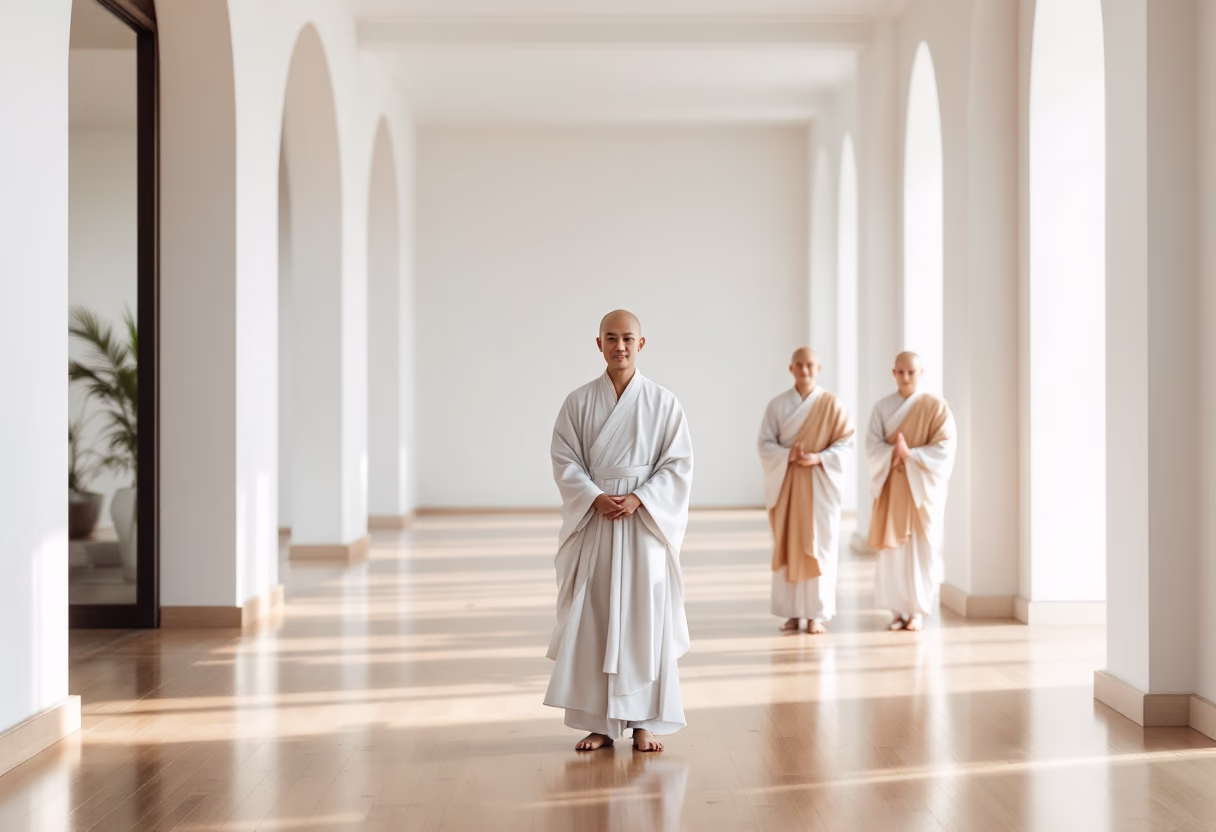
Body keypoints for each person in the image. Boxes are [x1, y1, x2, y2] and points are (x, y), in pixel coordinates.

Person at [544, 310, 694, 753]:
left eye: (628, 338)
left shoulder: (663, 402)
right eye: (611, 338)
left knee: (645, 615)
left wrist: (640, 498)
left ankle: (646, 720)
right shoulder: (578, 402)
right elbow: (564, 458)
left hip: (643, 522)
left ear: (642, 343)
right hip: (598, 519)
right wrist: (592, 496)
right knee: (597, 614)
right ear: (599, 344)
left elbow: (678, 464)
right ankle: (600, 722)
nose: (620, 346)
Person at [758, 348, 854, 634]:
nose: (805, 370)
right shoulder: (777, 406)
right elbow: (765, 444)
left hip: (819, 484)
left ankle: (816, 614)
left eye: (810, 365)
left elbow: (845, 443)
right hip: (787, 484)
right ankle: (791, 613)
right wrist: (787, 456)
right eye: (799, 365)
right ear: (791, 369)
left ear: (819, 368)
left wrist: (818, 457)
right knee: (788, 544)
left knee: (820, 545)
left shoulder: (832, 405)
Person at [865, 352, 956, 631]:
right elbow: (871, 447)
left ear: (921, 373)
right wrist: (893, 452)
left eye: (911, 372)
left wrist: (912, 454)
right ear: (893, 373)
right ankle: (897, 611)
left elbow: (945, 447)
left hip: (921, 493)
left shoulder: (935, 407)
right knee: (895, 551)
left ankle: (917, 610)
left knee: (921, 548)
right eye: (901, 372)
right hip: (894, 486)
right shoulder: (882, 408)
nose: (905, 377)